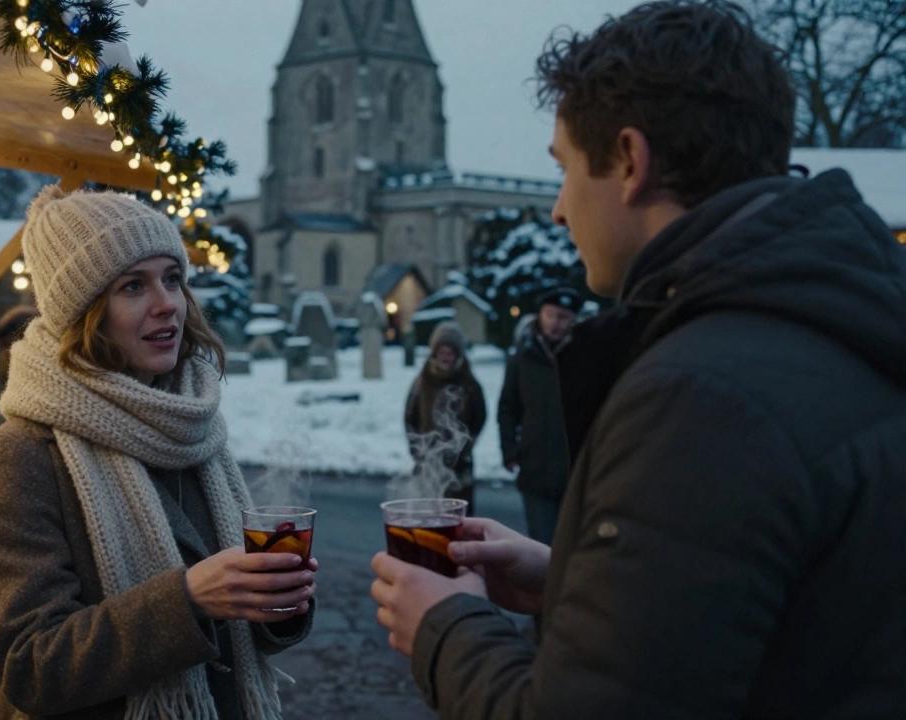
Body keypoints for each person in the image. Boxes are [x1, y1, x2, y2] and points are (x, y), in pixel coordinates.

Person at [370, 2, 906, 718]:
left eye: (564, 170)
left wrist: (443, 629)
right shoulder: (837, 314)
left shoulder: (701, 393)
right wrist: (573, 581)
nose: (558, 210)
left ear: (629, 161)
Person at [0, 186, 315, 720]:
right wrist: (188, 601)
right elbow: (27, 667)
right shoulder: (19, 456)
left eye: (172, 278)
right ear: (84, 314)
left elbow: (234, 632)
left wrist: (276, 604)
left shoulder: (193, 431)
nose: (167, 303)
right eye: (133, 285)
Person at [497, 287, 582, 544]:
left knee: (573, 544)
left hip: (576, 470)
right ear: (540, 316)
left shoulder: (585, 358)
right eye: (551, 315)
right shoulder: (522, 359)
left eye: (564, 317)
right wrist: (509, 450)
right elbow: (508, 408)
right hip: (535, 469)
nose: (556, 323)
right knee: (542, 544)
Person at [403, 322, 487, 512]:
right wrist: (417, 449)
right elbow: (410, 416)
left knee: (459, 517)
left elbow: (480, 416)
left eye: (450, 353)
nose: (445, 358)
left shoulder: (469, 383)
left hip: (460, 464)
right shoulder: (422, 382)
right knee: (428, 515)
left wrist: (466, 445)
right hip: (427, 461)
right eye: (441, 352)